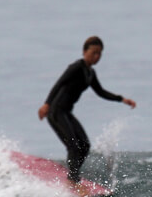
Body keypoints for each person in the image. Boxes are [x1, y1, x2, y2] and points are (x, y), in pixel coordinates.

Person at [37, 36, 136, 185]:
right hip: (56, 112)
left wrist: (121, 99)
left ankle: (73, 172)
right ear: (84, 52)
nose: (96, 56)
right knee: (73, 145)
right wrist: (47, 104)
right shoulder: (76, 67)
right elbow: (59, 83)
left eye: (99, 53)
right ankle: (72, 180)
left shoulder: (90, 73)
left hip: (67, 112)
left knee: (85, 145)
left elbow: (101, 92)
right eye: (93, 52)